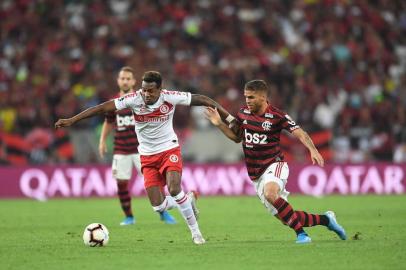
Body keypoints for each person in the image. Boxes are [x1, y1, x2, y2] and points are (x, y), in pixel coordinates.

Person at [55, 71, 234, 245]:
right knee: (159, 206)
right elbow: (102, 108)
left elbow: (204, 99)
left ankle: (196, 234)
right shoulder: (134, 99)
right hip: (147, 156)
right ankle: (188, 199)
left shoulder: (170, 97)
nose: (146, 94)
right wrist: (72, 120)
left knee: (173, 188)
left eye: (150, 90)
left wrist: (230, 118)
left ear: (160, 89)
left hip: (169, 150)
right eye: (144, 90)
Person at [204, 79, 347, 244]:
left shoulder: (277, 115)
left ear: (262, 97)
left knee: (271, 193)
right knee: (287, 217)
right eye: (246, 97)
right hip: (255, 174)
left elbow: (300, 132)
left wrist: (313, 149)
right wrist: (219, 124)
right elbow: (237, 138)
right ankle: (327, 220)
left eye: (251, 97)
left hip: (274, 164)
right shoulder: (243, 113)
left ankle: (302, 235)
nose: (247, 101)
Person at [99, 66, 176, 225]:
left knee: (155, 182)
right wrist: (102, 141)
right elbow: (108, 122)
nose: (125, 81)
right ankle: (129, 216)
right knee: (121, 183)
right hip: (120, 148)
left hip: (143, 150)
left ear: (134, 81)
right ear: (118, 81)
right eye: (122, 78)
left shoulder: (142, 100)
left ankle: (163, 213)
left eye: (128, 78)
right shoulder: (115, 103)